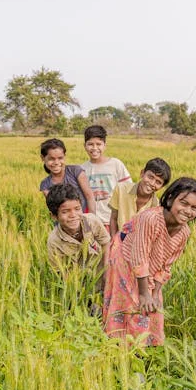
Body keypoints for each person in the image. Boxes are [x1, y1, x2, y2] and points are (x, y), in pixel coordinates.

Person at [102, 177, 196, 346]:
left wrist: (156, 291)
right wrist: (144, 293)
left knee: (154, 306)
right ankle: (120, 346)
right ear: (171, 198)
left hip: (151, 267)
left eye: (194, 208)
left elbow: (167, 264)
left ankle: (145, 347)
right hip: (126, 258)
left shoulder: (184, 232)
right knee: (133, 302)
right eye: (183, 203)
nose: (187, 210)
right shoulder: (150, 219)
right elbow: (139, 256)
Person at [45, 183, 111, 314]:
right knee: (86, 311)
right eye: (65, 212)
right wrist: (78, 292)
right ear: (54, 216)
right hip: (77, 284)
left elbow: (106, 243)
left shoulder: (92, 221)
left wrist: (106, 273)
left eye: (77, 208)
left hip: (100, 273)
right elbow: (61, 272)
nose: (73, 215)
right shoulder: (54, 241)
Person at [80, 125, 132, 233]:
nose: (94, 148)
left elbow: (128, 190)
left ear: (105, 146)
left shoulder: (116, 164)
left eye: (98, 144)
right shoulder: (82, 169)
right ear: (84, 146)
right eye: (90, 144)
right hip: (92, 221)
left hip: (113, 220)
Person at [108, 157, 171, 237]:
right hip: (118, 241)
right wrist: (114, 241)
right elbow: (113, 218)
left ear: (161, 187)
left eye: (158, 182)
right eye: (150, 177)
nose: (152, 183)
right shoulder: (121, 189)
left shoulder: (157, 207)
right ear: (142, 173)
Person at [39, 138, 97, 214]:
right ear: (43, 158)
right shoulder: (45, 184)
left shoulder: (75, 171)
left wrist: (91, 219)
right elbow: (54, 209)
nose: (56, 162)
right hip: (63, 222)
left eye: (60, 158)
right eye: (51, 159)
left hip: (84, 217)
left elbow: (89, 196)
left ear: (64, 156)